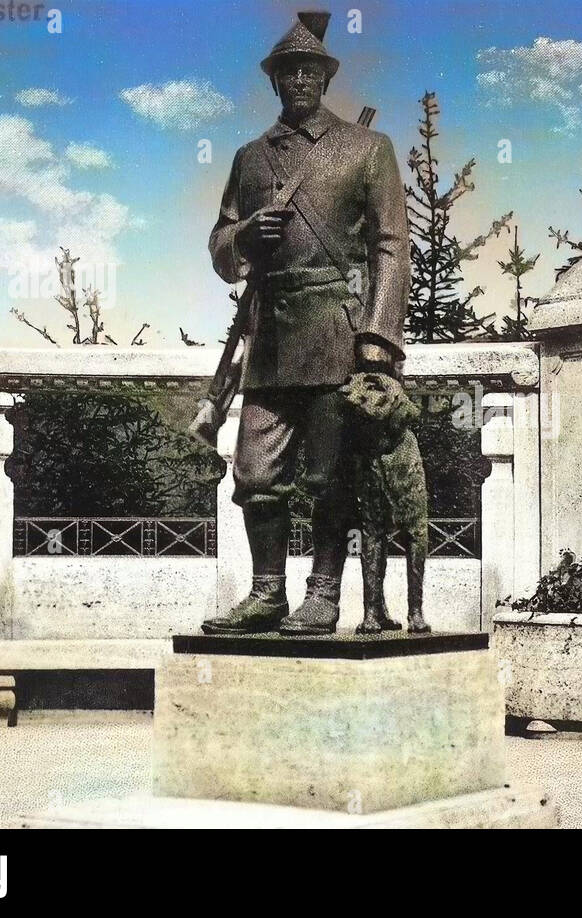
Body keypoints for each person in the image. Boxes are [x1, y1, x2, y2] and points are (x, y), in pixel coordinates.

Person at [201, 11, 409, 636]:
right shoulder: (250, 158)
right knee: (255, 472)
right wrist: (245, 234)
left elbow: (391, 245)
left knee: (329, 474)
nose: (298, 80)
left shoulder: (368, 149)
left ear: (324, 77)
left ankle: (322, 595)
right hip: (270, 336)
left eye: (309, 70)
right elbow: (219, 248)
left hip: (337, 333)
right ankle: (267, 595)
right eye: (287, 72)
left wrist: (377, 337)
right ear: (274, 82)